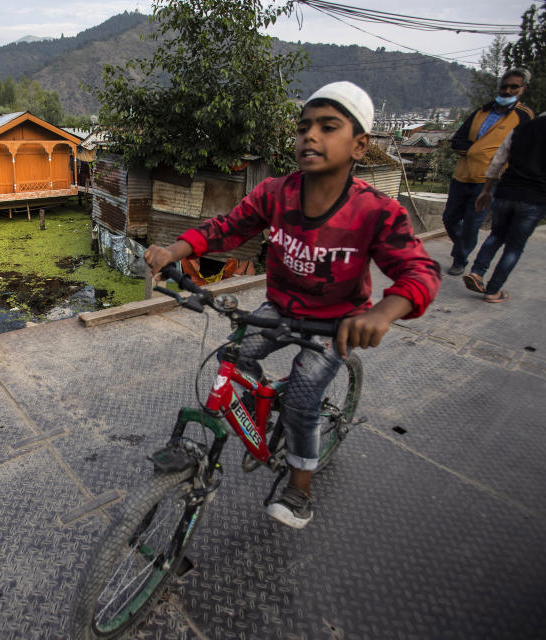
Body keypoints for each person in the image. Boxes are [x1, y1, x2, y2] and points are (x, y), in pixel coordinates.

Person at [143, 82, 440, 529]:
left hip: (333, 325)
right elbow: (227, 227)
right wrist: (175, 251)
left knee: (303, 399)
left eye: (328, 127)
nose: (310, 137)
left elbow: (420, 273)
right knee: (232, 357)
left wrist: (381, 313)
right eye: (303, 128)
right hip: (280, 308)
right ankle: (263, 407)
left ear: (360, 144)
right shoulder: (276, 193)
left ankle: (300, 487)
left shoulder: (376, 211)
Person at [462, 74, 546, 303]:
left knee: (496, 234)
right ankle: (493, 290)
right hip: (535, 196)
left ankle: (478, 271)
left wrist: (486, 191)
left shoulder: (524, 127)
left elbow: (498, 160)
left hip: (506, 191)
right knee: (514, 245)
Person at [442, 69, 535, 276]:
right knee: (449, 218)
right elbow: (458, 140)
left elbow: (523, 149)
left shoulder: (523, 116)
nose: (508, 90)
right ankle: (462, 247)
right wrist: (475, 152)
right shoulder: (481, 112)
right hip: (462, 175)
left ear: (522, 89)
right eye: (504, 86)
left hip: (489, 180)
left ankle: (460, 258)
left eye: (513, 87)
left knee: (472, 222)